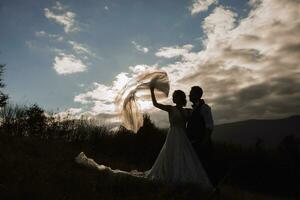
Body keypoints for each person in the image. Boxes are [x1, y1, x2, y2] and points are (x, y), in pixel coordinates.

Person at [145, 84, 213, 189]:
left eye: (175, 96)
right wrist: (152, 91)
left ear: (181, 98)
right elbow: (155, 104)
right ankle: (170, 175)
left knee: (183, 157)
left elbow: (198, 118)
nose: (173, 98)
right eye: (173, 96)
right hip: (172, 136)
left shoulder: (188, 111)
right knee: (171, 155)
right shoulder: (170, 109)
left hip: (184, 137)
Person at [186, 86, 215, 185]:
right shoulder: (194, 109)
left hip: (201, 143)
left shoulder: (204, 108)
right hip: (194, 143)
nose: (189, 95)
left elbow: (209, 126)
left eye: (191, 93)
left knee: (206, 166)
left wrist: (204, 142)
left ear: (198, 95)